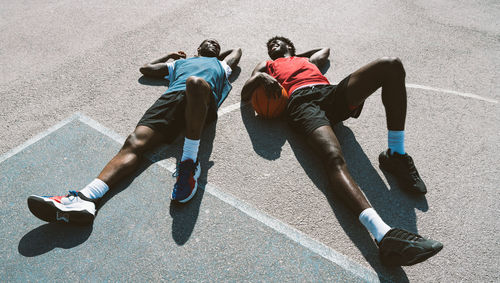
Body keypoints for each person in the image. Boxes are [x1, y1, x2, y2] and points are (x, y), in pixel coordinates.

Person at [241, 36, 442, 266]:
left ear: (289, 45)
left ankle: (395, 154)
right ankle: (384, 235)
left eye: (278, 42)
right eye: (270, 46)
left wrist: (296, 56)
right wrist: (261, 76)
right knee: (333, 157)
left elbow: (324, 50)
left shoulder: (308, 60)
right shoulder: (267, 65)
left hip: (330, 93)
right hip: (301, 102)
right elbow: (246, 93)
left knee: (391, 64)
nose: (272, 45)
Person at [27, 39, 242, 224]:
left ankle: (189, 162)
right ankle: (85, 199)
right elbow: (146, 68)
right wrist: (169, 55)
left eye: (215, 44)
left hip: (200, 99)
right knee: (134, 143)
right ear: (197, 48)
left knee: (194, 82)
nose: (212, 44)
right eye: (208, 42)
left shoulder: (222, 65)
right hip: (171, 99)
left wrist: (212, 56)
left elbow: (236, 51)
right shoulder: (179, 64)